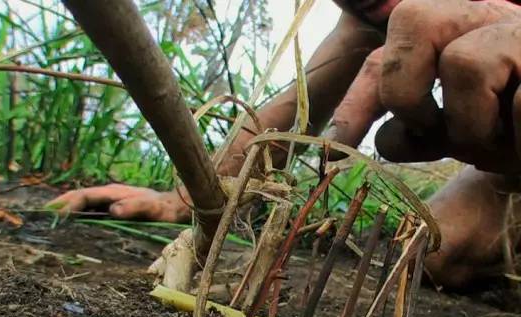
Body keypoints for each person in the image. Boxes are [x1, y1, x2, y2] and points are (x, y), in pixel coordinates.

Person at [49, 0, 521, 289]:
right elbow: (307, 92)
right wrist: (194, 195)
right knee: (442, 253)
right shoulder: (376, 8)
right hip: (502, 150)